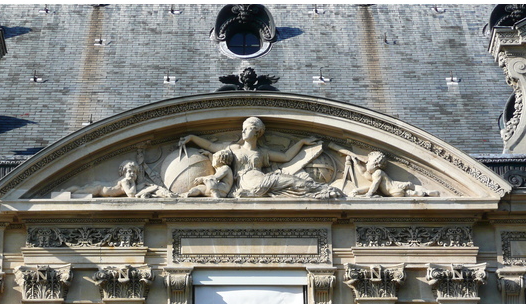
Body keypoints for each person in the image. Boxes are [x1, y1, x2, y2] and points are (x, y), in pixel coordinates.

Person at [179, 117, 342, 199]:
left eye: (247, 128)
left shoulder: (262, 152)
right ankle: (323, 190)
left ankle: (321, 191)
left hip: (262, 179)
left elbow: (286, 156)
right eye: (243, 129)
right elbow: (211, 147)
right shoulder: (234, 149)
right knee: (292, 182)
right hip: (248, 181)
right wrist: (193, 137)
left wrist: (301, 142)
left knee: (293, 182)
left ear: (257, 132)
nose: (243, 132)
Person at [328, 143, 439, 198]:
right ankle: (426, 192)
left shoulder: (378, 173)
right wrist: (356, 163)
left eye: (368, 162)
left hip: (394, 190)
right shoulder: (376, 174)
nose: (366, 163)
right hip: (394, 187)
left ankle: (425, 193)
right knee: (410, 188)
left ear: (376, 164)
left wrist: (369, 194)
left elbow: (374, 186)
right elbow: (363, 173)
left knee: (410, 191)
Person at [66, 160, 175, 198]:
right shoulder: (125, 181)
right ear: (123, 172)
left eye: (134, 172)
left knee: (82, 189)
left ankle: (66, 191)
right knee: (81, 191)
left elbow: (135, 189)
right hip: (101, 189)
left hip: (102, 186)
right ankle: (65, 192)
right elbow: (132, 194)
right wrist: (148, 188)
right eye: (129, 171)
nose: (132, 174)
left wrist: (147, 185)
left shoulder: (129, 182)